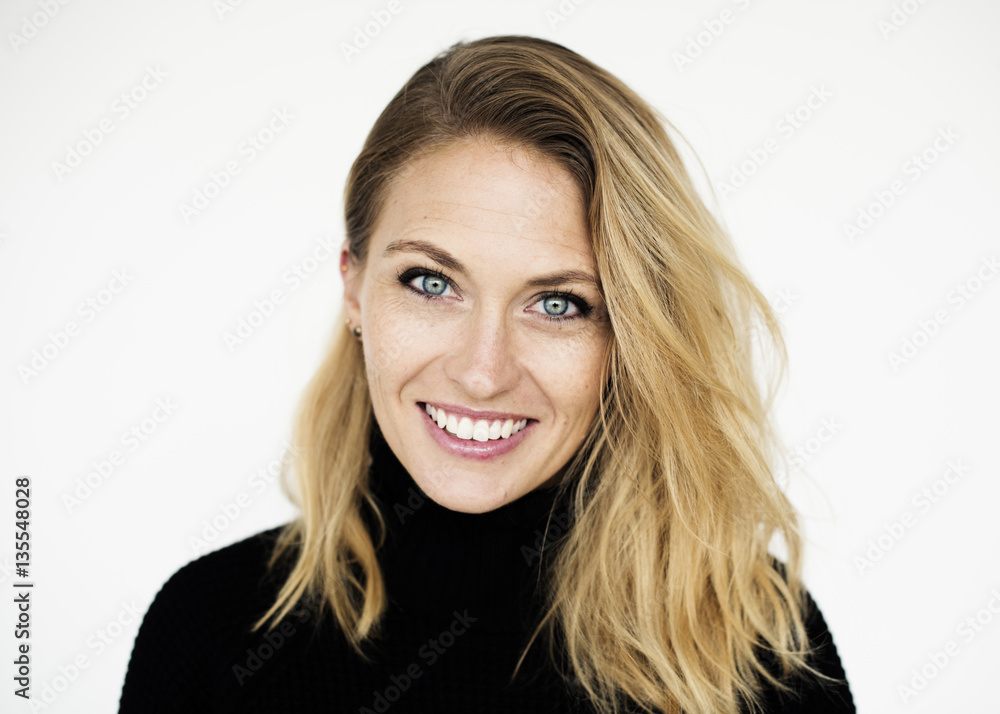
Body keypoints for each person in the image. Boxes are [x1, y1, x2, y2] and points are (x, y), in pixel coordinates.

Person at [118, 35, 855, 713]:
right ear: (354, 286)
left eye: (559, 303)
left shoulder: (760, 647)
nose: (482, 372)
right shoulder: (210, 630)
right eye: (432, 283)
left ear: (632, 332)